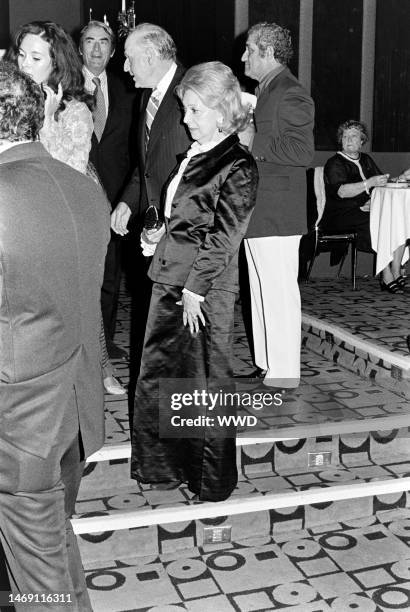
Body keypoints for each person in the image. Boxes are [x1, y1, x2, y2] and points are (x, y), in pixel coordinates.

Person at [0, 62, 109, 610]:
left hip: (18, 426)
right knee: (54, 556)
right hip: (70, 412)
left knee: (43, 586)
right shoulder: (83, 186)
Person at [130, 61, 258, 502]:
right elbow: (183, 220)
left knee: (205, 383)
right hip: (171, 280)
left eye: (194, 111)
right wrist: (157, 234)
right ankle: (170, 466)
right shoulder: (197, 155)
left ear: (222, 112)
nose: (185, 120)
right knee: (169, 378)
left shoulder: (236, 163)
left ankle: (210, 479)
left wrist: (194, 290)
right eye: (185, 110)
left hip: (203, 291)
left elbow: (224, 237)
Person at [7, 20, 124, 393]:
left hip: (68, 217)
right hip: (23, 214)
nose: (25, 64)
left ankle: (98, 372)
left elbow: (68, 176)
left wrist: (44, 121)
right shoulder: (10, 96)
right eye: (22, 54)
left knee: (81, 301)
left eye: (36, 57)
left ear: (55, 63)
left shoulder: (74, 108)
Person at [110, 23, 191, 394]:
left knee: (181, 324)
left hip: (185, 229)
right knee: (159, 315)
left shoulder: (193, 90)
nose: (125, 67)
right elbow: (146, 165)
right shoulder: (147, 96)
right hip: (153, 229)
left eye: (128, 58)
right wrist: (129, 200)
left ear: (150, 56)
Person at [240, 22, 315, 389]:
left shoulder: (290, 92)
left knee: (279, 292)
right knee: (260, 287)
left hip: (279, 212)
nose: (244, 56)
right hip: (260, 208)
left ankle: (284, 372)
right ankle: (268, 364)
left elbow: (302, 152)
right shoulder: (265, 90)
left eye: (250, 50)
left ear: (268, 52)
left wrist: (254, 139)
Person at [80, 20, 135, 361]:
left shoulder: (126, 90)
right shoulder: (64, 88)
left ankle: (106, 338)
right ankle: (81, 339)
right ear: (79, 48)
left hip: (114, 197)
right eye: (90, 42)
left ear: (113, 51)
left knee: (110, 273)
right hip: (77, 193)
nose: (97, 49)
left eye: (104, 42)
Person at [322, 120, 404, 293]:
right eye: (345, 136)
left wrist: (400, 178)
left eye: (353, 136)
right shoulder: (334, 163)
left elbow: (380, 183)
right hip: (340, 214)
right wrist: (368, 183)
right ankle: (386, 274)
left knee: (397, 220)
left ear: (362, 141)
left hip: (365, 211)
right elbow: (342, 192)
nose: (348, 139)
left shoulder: (366, 159)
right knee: (377, 222)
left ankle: (396, 271)